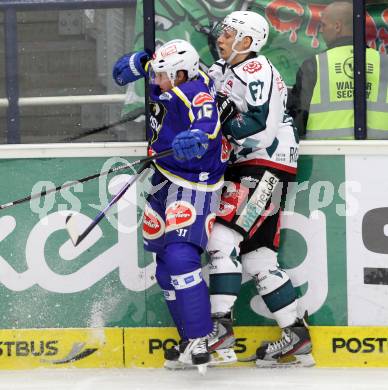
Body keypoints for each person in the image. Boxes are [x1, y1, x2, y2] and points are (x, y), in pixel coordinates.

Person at [204, 10, 314, 367]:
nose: (220, 37)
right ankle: (295, 335)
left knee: (222, 240)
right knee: (257, 257)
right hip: (257, 166)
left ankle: (219, 330)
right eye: (222, 32)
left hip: (263, 164)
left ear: (247, 41)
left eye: (229, 33)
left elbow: (261, 130)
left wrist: (220, 123)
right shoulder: (223, 70)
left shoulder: (256, 70)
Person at [112, 39, 231, 371]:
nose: (156, 82)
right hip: (165, 177)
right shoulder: (172, 72)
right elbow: (147, 67)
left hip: (195, 183)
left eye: (162, 76)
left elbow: (207, 121)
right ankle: (187, 339)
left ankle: (201, 336)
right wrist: (140, 61)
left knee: (181, 256)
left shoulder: (195, 91)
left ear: (182, 74)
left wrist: (199, 137)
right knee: (164, 264)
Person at [287, 1, 388, 139]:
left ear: (337, 26)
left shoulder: (314, 65)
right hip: (379, 155)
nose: (321, 30)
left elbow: (297, 119)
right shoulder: (385, 63)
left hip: (324, 156)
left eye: (323, 25)